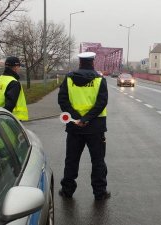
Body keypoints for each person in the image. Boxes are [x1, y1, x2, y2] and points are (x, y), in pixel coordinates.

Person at [58, 52, 110, 201]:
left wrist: (76, 117)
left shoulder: (69, 78)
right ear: (92, 62)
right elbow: (102, 102)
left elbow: (62, 100)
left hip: (74, 127)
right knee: (98, 161)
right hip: (95, 127)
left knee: (71, 160)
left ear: (80, 62)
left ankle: (67, 191)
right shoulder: (100, 79)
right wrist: (86, 119)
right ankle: (100, 193)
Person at [0, 56, 28, 121]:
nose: (19, 69)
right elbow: (10, 105)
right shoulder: (13, 83)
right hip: (7, 120)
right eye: (19, 66)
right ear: (16, 67)